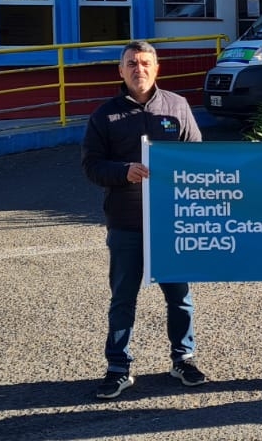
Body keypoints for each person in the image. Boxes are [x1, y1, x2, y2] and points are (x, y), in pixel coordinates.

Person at [81, 40, 207, 400]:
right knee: (123, 298)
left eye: (146, 63)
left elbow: (198, 155)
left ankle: (183, 359)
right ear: (120, 70)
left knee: (180, 296)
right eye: (131, 63)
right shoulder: (105, 115)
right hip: (126, 222)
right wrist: (123, 172)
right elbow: (91, 166)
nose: (139, 69)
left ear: (157, 68)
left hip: (171, 221)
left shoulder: (177, 106)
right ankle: (118, 367)